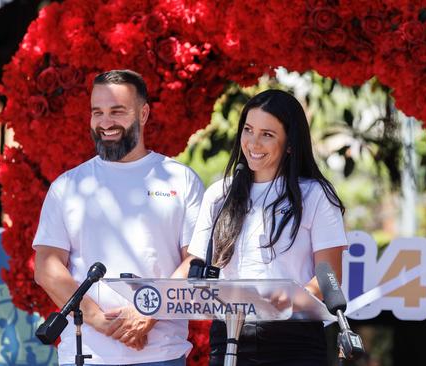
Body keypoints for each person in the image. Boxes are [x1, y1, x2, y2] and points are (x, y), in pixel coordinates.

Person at [33, 69, 204, 365]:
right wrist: (99, 320)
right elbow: (47, 268)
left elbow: (197, 260)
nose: (105, 122)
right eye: (97, 112)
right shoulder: (68, 186)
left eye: (117, 111)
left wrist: (151, 310)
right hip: (86, 356)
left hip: (162, 354)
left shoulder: (181, 179)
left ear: (143, 113)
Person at [187, 89, 348, 365]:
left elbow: (329, 275)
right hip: (228, 334)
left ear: (290, 144)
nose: (253, 142)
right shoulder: (218, 195)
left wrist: (293, 296)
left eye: (267, 134)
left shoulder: (315, 194)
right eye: (248, 130)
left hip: (294, 337)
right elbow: (197, 266)